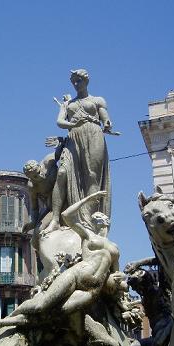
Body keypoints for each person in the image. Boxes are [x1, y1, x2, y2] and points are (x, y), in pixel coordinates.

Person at [0, 191, 119, 331]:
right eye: (94, 219)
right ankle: (1, 322)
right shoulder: (88, 235)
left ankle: (3, 323)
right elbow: (66, 215)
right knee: (41, 305)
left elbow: (116, 273)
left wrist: (120, 282)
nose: (95, 222)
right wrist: (88, 199)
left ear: (107, 223)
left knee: (53, 314)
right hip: (76, 275)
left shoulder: (114, 248)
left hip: (92, 291)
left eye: (99, 219)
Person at [42, 69, 112, 235]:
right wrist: (73, 124)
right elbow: (59, 121)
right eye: (73, 80)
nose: (75, 83)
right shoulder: (68, 104)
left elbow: (105, 117)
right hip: (73, 138)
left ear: (86, 81)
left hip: (94, 135)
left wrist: (108, 124)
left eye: (78, 80)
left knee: (92, 176)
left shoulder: (97, 100)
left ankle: (89, 220)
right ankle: (55, 219)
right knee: (62, 173)